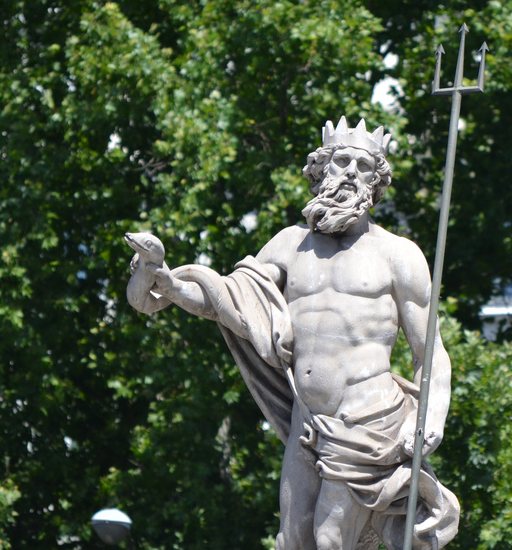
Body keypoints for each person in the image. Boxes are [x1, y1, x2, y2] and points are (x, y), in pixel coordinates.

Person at [133, 117, 459, 550]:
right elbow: (229, 301)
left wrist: (431, 416)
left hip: (368, 419)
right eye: (341, 161)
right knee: (292, 541)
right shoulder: (289, 245)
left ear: (377, 181)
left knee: (330, 539)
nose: (350, 172)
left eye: (364, 166)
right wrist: (171, 285)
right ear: (320, 169)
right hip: (307, 421)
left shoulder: (398, 254)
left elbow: (429, 353)